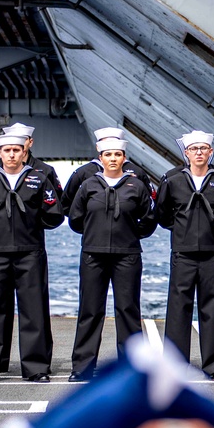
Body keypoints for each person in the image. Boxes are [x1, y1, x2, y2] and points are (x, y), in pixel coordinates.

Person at [0, 133, 65, 382]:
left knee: (34, 311)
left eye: (16, 150)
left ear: (23, 152)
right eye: (6, 150)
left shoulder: (38, 179)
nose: (11, 155)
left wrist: (30, 226)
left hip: (30, 252)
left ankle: (36, 368)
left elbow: (54, 213)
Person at [68, 133, 156, 381]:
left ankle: (131, 367)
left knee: (127, 310)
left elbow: (149, 219)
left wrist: (128, 234)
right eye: (108, 155)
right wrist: (95, 233)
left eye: (117, 154)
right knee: (90, 310)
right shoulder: (89, 185)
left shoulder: (136, 186)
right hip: (93, 255)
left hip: (127, 255)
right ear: (101, 158)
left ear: (124, 158)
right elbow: (75, 219)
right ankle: (82, 367)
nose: (113, 158)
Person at [155, 130, 214, 380]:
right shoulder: (172, 180)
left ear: (211, 152)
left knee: (213, 310)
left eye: (204, 149)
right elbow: (162, 213)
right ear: (187, 153)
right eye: (194, 149)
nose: (199, 152)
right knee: (178, 310)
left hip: (212, 254)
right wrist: (183, 229)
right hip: (182, 253)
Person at [62, 126, 153, 212]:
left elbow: (150, 204)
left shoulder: (137, 172)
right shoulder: (82, 173)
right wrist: (87, 223)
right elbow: (66, 204)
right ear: (98, 147)